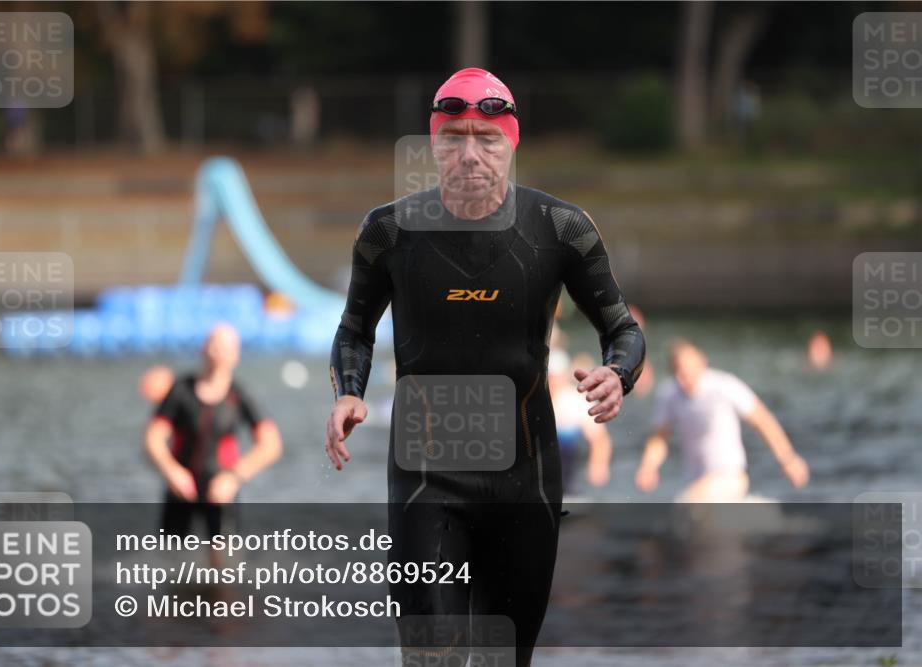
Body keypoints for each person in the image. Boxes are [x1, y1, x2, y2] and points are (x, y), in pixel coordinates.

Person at [325, 67, 645, 666]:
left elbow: (623, 330)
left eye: (487, 139)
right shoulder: (388, 231)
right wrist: (348, 391)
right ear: (433, 144)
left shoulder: (561, 228)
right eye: (453, 138)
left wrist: (617, 373)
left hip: (525, 478)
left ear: (512, 141)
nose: (470, 154)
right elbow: (355, 329)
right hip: (425, 479)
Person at [144, 324, 283, 540]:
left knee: (224, 556)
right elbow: (153, 438)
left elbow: (270, 445)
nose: (218, 354)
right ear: (203, 349)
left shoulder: (239, 396)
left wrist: (234, 478)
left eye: (226, 349)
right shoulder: (181, 390)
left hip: (221, 491)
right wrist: (172, 472)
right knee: (170, 554)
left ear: (236, 356)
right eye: (214, 346)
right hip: (181, 488)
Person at [635, 339, 809, 502]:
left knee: (690, 503)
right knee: (690, 507)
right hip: (695, 482)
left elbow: (762, 420)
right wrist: (649, 467)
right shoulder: (669, 395)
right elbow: (659, 438)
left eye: (686, 371)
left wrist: (788, 458)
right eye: (677, 371)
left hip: (730, 476)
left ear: (702, 363)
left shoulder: (724, 386)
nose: (682, 377)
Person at [548, 348, 612, 495]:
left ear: (563, 376)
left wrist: (598, 465)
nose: (552, 381)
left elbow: (599, 438)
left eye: (555, 376)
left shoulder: (577, 401)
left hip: (568, 463)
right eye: (549, 377)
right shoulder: (530, 398)